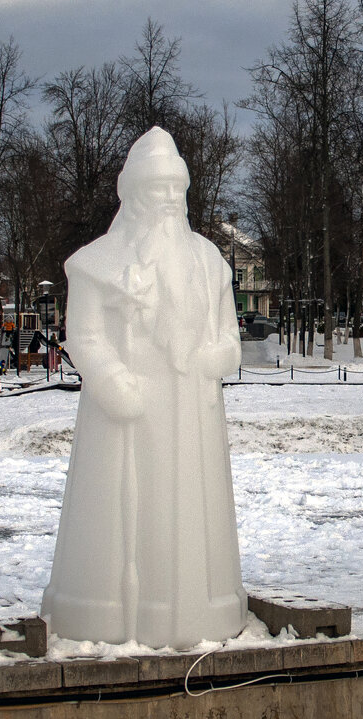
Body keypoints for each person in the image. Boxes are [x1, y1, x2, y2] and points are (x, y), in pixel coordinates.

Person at [42, 127, 246, 648]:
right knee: (123, 529)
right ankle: (106, 614)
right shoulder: (96, 264)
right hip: (127, 418)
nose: (170, 201)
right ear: (131, 194)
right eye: (157, 189)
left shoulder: (209, 262)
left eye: (177, 189)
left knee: (191, 527)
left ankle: (201, 612)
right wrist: (112, 381)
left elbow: (228, 339)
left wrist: (212, 358)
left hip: (192, 418)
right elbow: (83, 335)